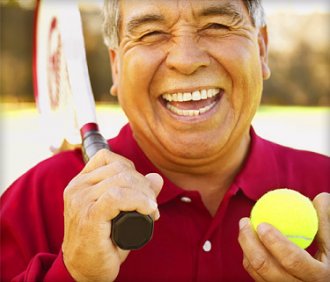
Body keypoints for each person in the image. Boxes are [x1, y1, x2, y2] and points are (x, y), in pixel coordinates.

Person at [1, 0, 329, 281]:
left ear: (261, 48)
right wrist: (75, 275)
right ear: (117, 66)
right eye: (151, 33)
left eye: (216, 25)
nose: (186, 60)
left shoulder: (323, 183)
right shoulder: (34, 199)